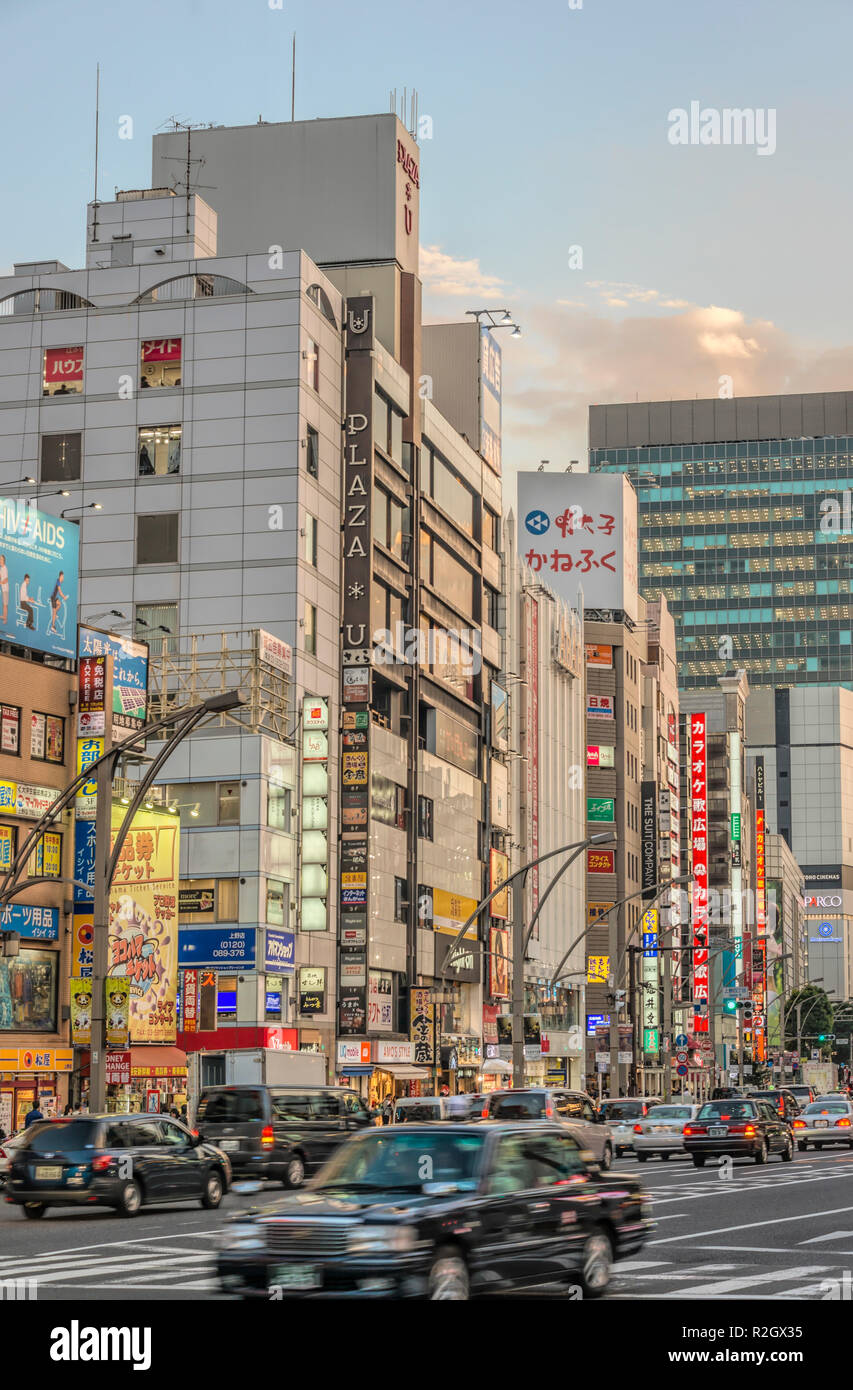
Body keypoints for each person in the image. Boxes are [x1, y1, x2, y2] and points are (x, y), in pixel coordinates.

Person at [0, 554, 7, 627]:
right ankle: (4, 617)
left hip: (5, 589)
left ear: (3, 561)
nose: (0, 560)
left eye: (1, 559)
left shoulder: (4, 568)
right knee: (4, 604)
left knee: (5, 605)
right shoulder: (2, 568)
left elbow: (6, 579)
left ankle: (5, 618)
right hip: (2, 588)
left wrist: (1, 582)